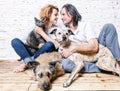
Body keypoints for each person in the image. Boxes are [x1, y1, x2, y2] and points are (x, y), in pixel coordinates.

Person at [60, 4, 120, 73]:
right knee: (65, 64)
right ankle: (102, 67)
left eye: (63, 14)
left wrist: (73, 48)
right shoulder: (64, 32)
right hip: (82, 58)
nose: (61, 17)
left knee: (109, 27)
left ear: (71, 14)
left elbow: (94, 47)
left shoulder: (85, 25)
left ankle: (117, 62)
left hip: (97, 52)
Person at [11, 4, 59, 72]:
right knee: (15, 41)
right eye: (55, 14)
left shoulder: (56, 29)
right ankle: (29, 61)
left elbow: (56, 45)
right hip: (32, 52)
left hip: (43, 55)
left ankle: (26, 63)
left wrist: (41, 32)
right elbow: (25, 41)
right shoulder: (36, 25)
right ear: (48, 14)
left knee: (49, 45)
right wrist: (36, 46)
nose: (57, 17)